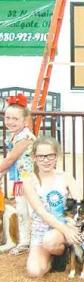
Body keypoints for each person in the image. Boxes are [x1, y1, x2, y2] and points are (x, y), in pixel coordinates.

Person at [22, 137, 84, 277]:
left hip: (65, 229)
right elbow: (40, 211)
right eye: (41, 156)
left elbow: (79, 204)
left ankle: (63, 249)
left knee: (50, 241)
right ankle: (56, 255)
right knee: (35, 272)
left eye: (50, 155)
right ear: (34, 157)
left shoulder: (65, 176)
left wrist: (74, 229)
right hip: (41, 231)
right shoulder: (28, 181)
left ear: (56, 156)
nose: (46, 160)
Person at [0, 93, 35, 255]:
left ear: (24, 120)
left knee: (31, 209)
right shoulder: (16, 135)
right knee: (22, 209)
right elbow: (10, 161)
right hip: (20, 180)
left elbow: (10, 159)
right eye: (8, 117)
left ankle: (31, 241)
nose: (10, 122)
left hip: (30, 180)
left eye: (15, 119)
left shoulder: (25, 136)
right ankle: (25, 241)